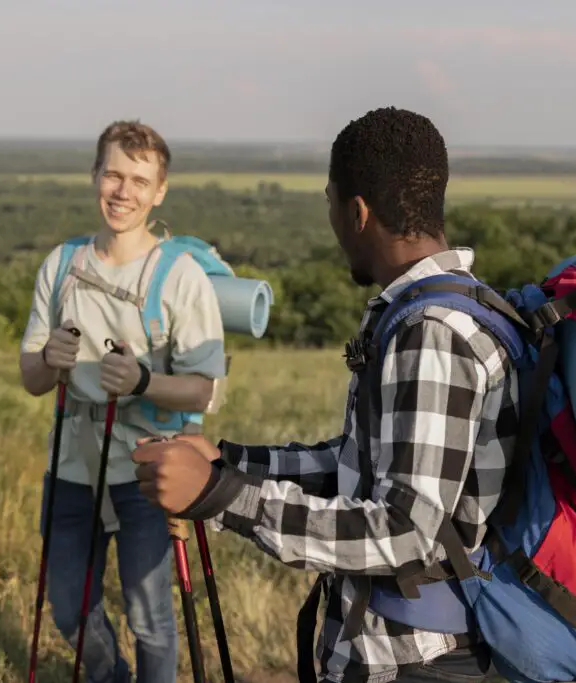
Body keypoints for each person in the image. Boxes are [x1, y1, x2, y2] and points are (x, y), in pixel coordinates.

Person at [131, 107, 520, 683]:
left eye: (331, 205)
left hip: (416, 663)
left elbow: (404, 533)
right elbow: (359, 465)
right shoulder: (444, 308)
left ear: (356, 212)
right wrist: (230, 463)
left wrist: (222, 497)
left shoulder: (431, 332)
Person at [19, 119, 227, 683]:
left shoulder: (180, 276)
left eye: (139, 180)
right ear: (95, 177)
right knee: (67, 606)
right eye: (113, 174)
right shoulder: (62, 266)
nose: (123, 191)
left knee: (150, 617)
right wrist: (49, 361)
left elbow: (205, 388)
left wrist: (141, 382)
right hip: (70, 466)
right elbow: (31, 376)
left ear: (159, 192)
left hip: (148, 470)